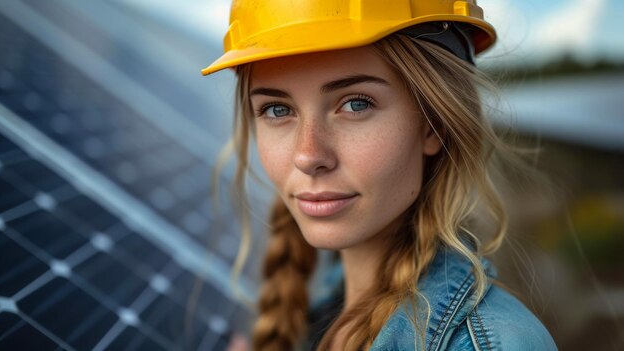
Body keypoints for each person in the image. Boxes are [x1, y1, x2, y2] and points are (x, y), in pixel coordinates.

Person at [203, 1, 558, 350]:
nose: (308, 156)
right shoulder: (327, 306)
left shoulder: (498, 343)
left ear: (434, 125)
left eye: (356, 104)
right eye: (277, 109)